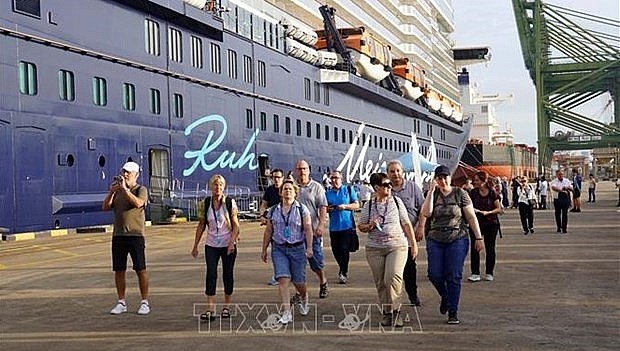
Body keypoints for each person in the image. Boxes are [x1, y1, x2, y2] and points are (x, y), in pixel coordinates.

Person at [421, 165, 484, 324]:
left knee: (454, 274)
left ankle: (453, 311)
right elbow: (426, 213)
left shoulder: (460, 193)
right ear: (435, 180)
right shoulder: (433, 195)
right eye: (439, 178)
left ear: (450, 177)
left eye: (445, 177)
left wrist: (478, 237)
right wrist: (430, 193)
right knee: (434, 274)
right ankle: (446, 296)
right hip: (435, 238)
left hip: (457, 237)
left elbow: (470, 217)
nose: (442, 181)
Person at [358, 172, 417, 328]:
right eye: (386, 184)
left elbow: (406, 223)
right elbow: (361, 226)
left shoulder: (397, 202)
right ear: (377, 187)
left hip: (397, 247)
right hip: (374, 249)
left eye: (390, 184)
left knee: (391, 278)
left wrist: (414, 244)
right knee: (381, 282)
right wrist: (370, 224)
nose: (390, 187)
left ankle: (397, 312)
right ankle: (387, 313)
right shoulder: (368, 205)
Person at [261, 179, 314, 324]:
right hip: (279, 248)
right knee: (283, 279)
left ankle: (304, 296)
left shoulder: (302, 209)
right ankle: (286, 312)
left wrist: (309, 247)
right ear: (281, 192)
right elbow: (268, 231)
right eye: (285, 189)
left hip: (297, 248)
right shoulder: (273, 210)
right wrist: (264, 249)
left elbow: (308, 228)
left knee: (298, 281)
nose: (287, 191)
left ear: (295, 192)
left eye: (290, 189)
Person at [102, 161, 150, 315]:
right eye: (124, 171)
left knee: (140, 269)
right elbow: (105, 207)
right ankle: (121, 301)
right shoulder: (117, 192)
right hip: (119, 235)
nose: (125, 175)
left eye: (129, 172)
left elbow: (138, 203)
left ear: (136, 175)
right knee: (119, 270)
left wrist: (125, 189)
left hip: (135, 235)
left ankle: (144, 302)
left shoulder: (140, 190)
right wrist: (112, 192)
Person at [191, 174, 240, 321]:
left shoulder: (229, 202)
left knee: (227, 274)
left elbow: (236, 225)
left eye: (220, 185)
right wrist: (195, 245)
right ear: (211, 187)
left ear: (223, 187)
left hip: (227, 244)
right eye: (215, 185)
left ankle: (226, 307)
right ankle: (210, 309)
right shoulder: (205, 203)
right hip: (211, 244)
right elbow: (201, 225)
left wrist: (232, 243)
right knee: (211, 274)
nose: (217, 188)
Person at [387, 160, 424, 306]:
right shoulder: (385, 188)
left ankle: (412, 294)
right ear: (388, 174)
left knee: (409, 268)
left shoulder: (413, 188)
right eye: (392, 171)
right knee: (393, 271)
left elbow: (422, 209)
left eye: (397, 171)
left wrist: (420, 227)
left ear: (402, 172)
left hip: (409, 236)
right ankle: (394, 298)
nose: (395, 174)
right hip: (391, 237)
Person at [295, 160, 329, 298]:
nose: (302, 171)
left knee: (315, 261)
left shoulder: (316, 187)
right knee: (297, 263)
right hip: (295, 233)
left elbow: (322, 207)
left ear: (309, 170)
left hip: (313, 231)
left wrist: (321, 225)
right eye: (299, 169)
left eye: (304, 168)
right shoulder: (292, 187)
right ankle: (299, 292)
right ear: (296, 171)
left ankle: (323, 281)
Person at [467, 171, 502, 282]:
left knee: (490, 248)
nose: (475, 182)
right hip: (476, 223)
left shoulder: (492, 193)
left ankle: (489, 272)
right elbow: (468, 206)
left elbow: (499, 209)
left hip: (491, 223)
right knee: (475, 247)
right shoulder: (473, 193)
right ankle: (475, 273)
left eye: (477, 180)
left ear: (484, 181)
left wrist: (488, 212)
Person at [325, 170, 359, 284]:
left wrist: (344, 206)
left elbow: (356, 204)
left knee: (344, 250)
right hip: (334, 227)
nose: (334, 180)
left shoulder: (348, 190)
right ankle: (342, 267)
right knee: (335, 250)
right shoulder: (327, 193)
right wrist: (328, 209)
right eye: (332, 178)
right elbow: (324, 207)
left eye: (336, 178)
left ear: (341, 179)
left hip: (346, 226)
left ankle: (343, 272)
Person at [258, 168, 285, 285]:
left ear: (282, 178)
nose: (276, 179)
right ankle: (278, 274)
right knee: (276, 250)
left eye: (278, 177)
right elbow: (263, 205)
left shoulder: (287, 188)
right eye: (274, 177)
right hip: (274, 226)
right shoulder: (270, 190)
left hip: (289, 225)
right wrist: (262, 215)